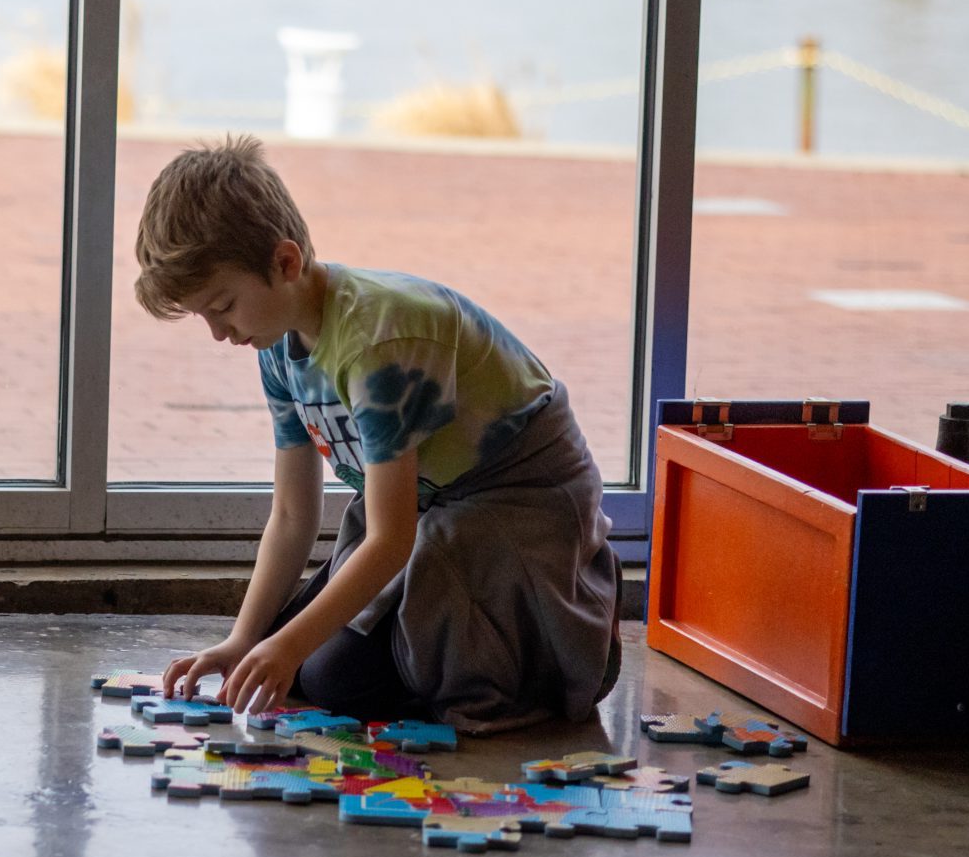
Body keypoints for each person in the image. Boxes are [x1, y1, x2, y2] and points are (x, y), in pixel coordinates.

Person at [137, 135, 620, 731]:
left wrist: (284, 647)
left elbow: (391, 540)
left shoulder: (379, 341)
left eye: (224, 306)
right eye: (204, 317)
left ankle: (542, 660)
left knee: (326, 673)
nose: (218, 334)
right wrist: (245, 638)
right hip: (427, 508)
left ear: (285, 263)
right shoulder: (276, 345)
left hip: (517, 506)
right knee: (301, 661)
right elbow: (292, 515)